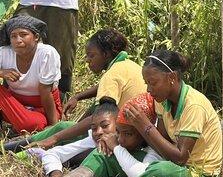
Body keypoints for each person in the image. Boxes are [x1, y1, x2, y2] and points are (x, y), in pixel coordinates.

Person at [4, 29, 146, 152]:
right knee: (90, 113)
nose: (87, 60)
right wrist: (78, 97)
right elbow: (104, 89)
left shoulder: (112, 74)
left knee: (63, 127)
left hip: (126, 134)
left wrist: (55, 138)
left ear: (106, 54)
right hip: (141, 133)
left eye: (91, 55)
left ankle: (16, 147)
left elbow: (102, 114)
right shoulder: (128, 65)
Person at [5, 94, 160, 177]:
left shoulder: (152, 151)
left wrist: (117, 148)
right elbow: (58, 152)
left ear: (142, 135)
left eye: (127, 134)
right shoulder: (103, 139)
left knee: (99, 153)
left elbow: (141, 174)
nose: (121, 138)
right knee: (66, 130)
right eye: (119, 132)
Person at [122, 50, 222, 177]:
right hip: (176, 163)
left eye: (153, 83)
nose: (149, 90)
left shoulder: (194, 105)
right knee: (119, 153)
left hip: (200, 174)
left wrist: (144, 125)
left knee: (161, 171)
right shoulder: (162, 100)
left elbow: (181, 158)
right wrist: (136, 128)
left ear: (172, 77)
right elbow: (163, 142)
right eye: (146, 84)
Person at [23, 101, 120, 177]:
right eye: (94, 128)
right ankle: (17, 146)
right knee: (61, 127)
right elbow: (53, 153)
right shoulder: (92, 141)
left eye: (105, 126)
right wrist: (56, 173)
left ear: (119, 125)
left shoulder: (128, 143)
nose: (98, 132)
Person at [0, 15, 61, 133]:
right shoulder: (4, 53)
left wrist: (53, 126)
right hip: (15, 105)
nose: (18, 40)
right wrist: (1, 72)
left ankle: (17, 123)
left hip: (42, 107)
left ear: (36, 37)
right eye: (13, 36)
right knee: (29, 123)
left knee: (34, 125)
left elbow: (45, 92)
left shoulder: (46, 53)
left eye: (23, 35)